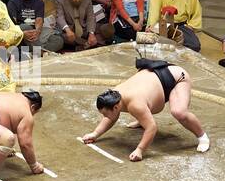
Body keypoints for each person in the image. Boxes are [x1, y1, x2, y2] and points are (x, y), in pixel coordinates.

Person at [81, 60, 209, 161]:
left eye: (105, 113)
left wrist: (140, 150)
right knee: (141, 110)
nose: (105, 116)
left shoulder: (134, 104)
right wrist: (95, 134)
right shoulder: (114, 95)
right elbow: (111, 117)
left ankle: (202, 137)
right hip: (154, 76)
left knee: (179, 112)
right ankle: (143, 119)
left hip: (176, 78)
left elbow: (152, 127)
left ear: (115, 107)